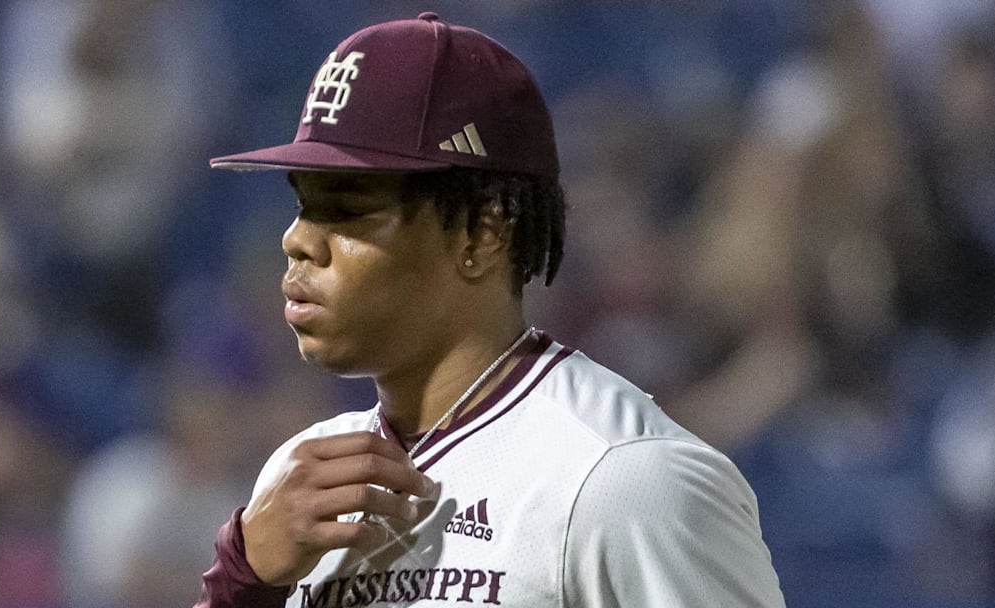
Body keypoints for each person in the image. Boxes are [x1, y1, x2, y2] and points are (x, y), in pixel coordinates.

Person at [194, 12, 785, 607]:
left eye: (344, 208)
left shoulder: (623, 480)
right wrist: (242, 582)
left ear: (482, 234)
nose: (297, 239)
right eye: (302, 204)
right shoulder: (303, 481)